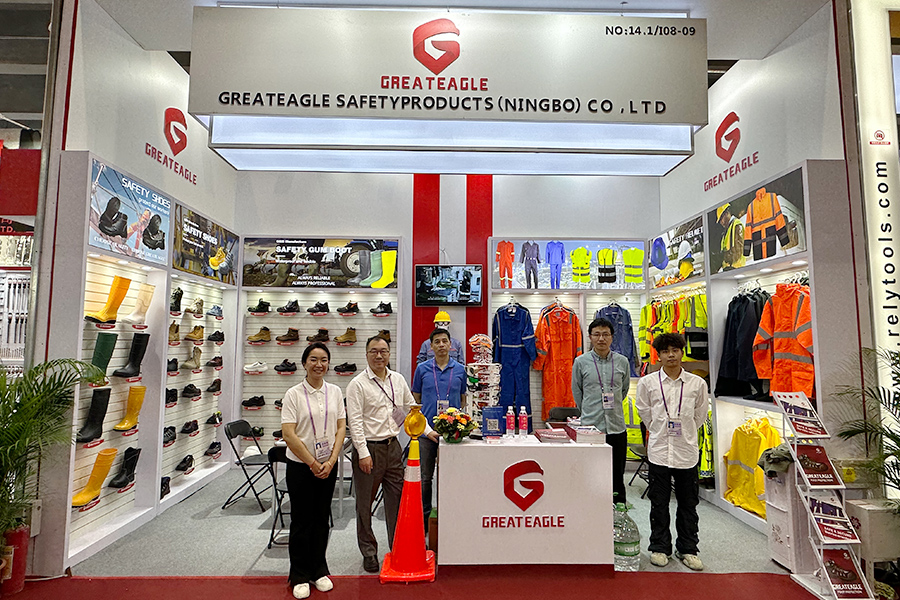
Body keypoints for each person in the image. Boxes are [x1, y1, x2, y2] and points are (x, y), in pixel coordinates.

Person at [346, 335, 434, 573]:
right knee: (364, 505)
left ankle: (398, 546)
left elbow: (410, 411)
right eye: (374, 351)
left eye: (383, 351)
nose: (379, 356)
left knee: (396, 501)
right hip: (369, 450)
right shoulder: (357, 384)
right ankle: (369, 552)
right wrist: (362, 453)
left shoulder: (398, 379)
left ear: (388, 354)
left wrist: (428, 432)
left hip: (393, 448)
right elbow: (355, 422)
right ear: (366, 354)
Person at [634, 333, 709, 572]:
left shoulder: (697, 384)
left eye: (675, 350)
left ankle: (688, 548)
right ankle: (659, 547)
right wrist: (659, 428)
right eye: (665, 351)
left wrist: (684, 430)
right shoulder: (648, 383)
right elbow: (643, 411)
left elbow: (699, 415)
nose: (671, 355)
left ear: (681, 353)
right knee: (659, 503)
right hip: (659, 451)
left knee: (688, 504)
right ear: (658, 355)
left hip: (686, 452)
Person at [280, 342, 346, 599]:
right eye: (314, 359)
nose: (319, 364)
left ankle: (319, 570)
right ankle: (299, 574)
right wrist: (312, 463)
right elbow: (289, 434)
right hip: (301, 466)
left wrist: (331, 460)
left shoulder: (335, 391)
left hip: (328, 465)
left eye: (324, 360)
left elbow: (341, 427)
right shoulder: (293, 394)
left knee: (321, 518)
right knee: (301, 520)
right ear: (304, 363)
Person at [411, 328, 467, 535]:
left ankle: (450, 517)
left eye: (445, 341)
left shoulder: (460, 369)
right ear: (431, 346)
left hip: (452, 433)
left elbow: (463, 399)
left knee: (450, 476)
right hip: (427, 432)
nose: (441, 345)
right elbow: (416, 397)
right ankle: (424, 521)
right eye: (437, 341)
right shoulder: (422, 369)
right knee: (425, 477)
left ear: (450, 345)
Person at [571, 317, 631, 505]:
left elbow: (624, 390)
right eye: (597, 334)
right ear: (590, 337)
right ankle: (590, 507)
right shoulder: (580, 362)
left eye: (605, 334)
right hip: (591, 428)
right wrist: (589, 410)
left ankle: (618, 509)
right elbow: (577, 392)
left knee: (617, 473)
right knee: (590, 472)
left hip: (616, 427)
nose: (601, 339)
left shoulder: (622, 362)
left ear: (612, 337)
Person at [717, 202, 746, 271]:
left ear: (726, 213)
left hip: (737, 267)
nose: (721, 222)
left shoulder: (737, 225)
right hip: (729, 268)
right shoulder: (726, 231)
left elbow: (738, 250)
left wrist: (724, 256)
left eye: (721, 219)